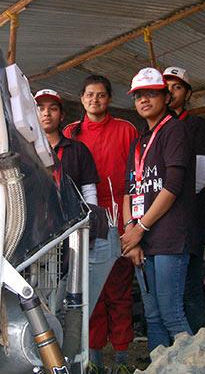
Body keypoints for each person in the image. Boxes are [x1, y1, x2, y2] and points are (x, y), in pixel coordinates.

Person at [63, 75, 138, 372]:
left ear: (109, 99)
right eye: (90, 95)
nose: (95, 100)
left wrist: (131, 222)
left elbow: (137, 175)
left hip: (119, 215)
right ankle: (92, 359)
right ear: (81, 98)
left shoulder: (126, 129)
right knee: (89, 291)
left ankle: (121, 360)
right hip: (83, 222)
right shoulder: (71, 133)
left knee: (119, 292)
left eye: (101, 95)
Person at [121, 67, 195, 353]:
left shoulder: (175, 130)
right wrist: (131, 234)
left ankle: (194, 369)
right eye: (139, 95)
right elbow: (130, 190)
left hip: (169, 238)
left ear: (166, 97)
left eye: (152, 94)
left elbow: (173, 186)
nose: (144, 100)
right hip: (142, 238)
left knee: (171, 314)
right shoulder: (139, 140)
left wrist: (141, 228)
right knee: (152, 317)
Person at [34, 89, 106, 309]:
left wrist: (89, 227)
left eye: (53, 108)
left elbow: (89, 192)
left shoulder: (77, 150)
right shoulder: (26, 150)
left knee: (70, 293)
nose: (46, 113)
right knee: (38, 292)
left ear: (61, 115)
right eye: (41, 108)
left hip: (71, 234)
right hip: (37, 237)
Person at [162, 66, 205, 334]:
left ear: (188, 93)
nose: (170, 92)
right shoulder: (158, 127)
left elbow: (201, 176)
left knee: (190, 283)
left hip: (189, 215)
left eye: (177, 87)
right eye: (166, 86)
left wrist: (171, 202)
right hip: (162, 219)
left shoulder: (196, 125)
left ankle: (199, 343)